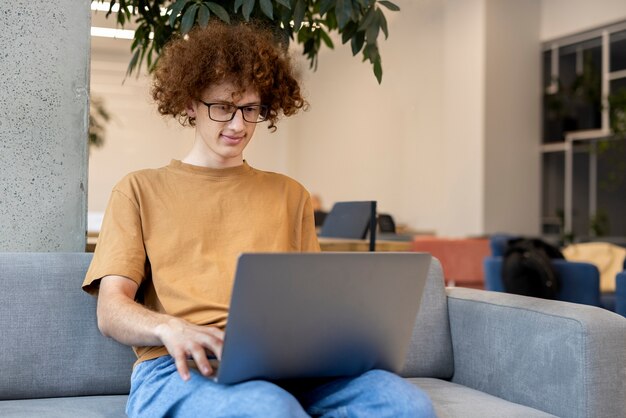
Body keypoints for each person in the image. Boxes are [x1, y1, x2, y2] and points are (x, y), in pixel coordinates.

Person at [82, 20, 435, 418]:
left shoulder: (291, 195)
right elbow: (110, 310)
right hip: (179, 365)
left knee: (403, 403)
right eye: (222, 108)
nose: (238, 125)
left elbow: (314, 304)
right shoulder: (138, 189)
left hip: (287, 368)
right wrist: (169, 327)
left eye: (251, 109)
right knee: (270, 408)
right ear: (189, 104)